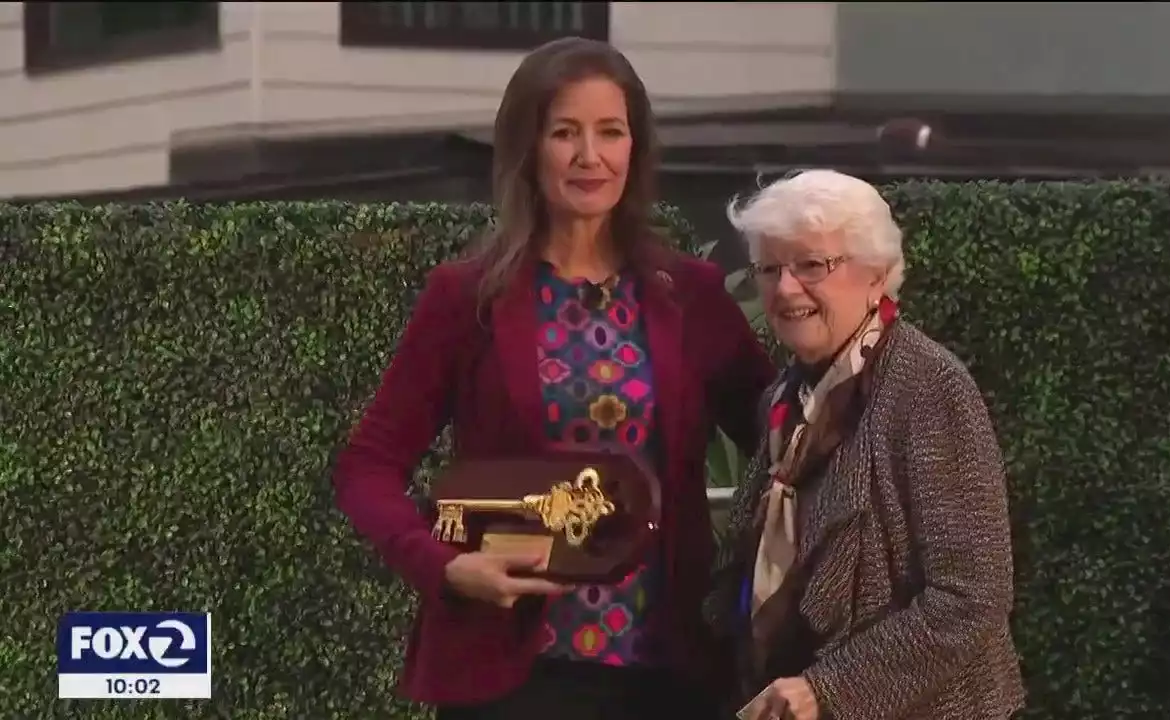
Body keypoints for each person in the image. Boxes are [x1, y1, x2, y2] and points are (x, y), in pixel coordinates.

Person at [332, 37, 776, 720]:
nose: (589, 156)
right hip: (515, 676)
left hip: (669, 674)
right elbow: (367, 465)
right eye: (564, 132)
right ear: (527, 148)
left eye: (610, 132)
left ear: (636, 148)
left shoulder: (689, 294)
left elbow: (784, 437)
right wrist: (443, 565)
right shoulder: (468, 298)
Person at [706, 169, 1026, 720]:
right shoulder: (788, 394)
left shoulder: (927, 386)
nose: (785, 288)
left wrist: (828, 690)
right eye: (770, 268)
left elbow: (971, 597)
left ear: (876, 274)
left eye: (812, 265)